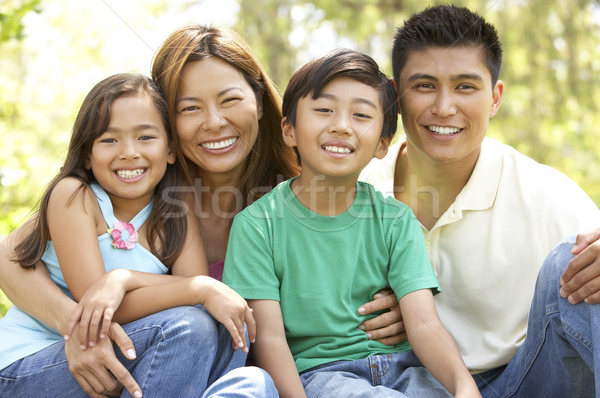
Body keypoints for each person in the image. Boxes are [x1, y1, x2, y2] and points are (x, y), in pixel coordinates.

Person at [0, 25, 403, 396]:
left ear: (260, 102)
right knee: (200, 326)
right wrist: (79, 328)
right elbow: (10, 257)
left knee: (248, 375)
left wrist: (404, 300)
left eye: (230, 100)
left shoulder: (301, 191)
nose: (214, 122)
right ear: (165, 119)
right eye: (189, 108)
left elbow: (381, 247)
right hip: (114, 358)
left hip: (248, 372)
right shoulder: (136, 194)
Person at [359, 5, 600, 397]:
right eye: (424, 85)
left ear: (494, 97)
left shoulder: (541, 191)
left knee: (583, 263)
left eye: (465, 86)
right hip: (411, 385)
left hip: (530, 377)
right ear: (396, 96)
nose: (444, 107)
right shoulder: (356, 189)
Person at [223, 48, 481, 398]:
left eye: (361, 115)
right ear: (289, 130)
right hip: (322, 376)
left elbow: (424, 324)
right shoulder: (257, 224)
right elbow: (269, 339)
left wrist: (464, 387)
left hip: (405, 370)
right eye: (324, 110)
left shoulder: (395, 220)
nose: (341, 126)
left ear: (382, 144)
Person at [0, 73, 275, 398]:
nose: (129, 152)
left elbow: (198, 294)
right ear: (87, 154)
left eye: (145, 137)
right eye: (109, 140)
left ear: (171, 149)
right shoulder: (74, 196)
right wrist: (200, 288)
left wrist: (125, 278)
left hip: (124, 351)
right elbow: (98, 306)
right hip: (31, 364)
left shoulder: (177, 207)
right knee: (191, 325)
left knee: (247, 365)